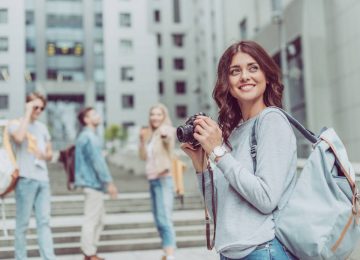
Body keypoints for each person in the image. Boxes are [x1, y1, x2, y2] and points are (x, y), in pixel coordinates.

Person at [181, 40, 298, 260]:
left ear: (267, 76)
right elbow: (220, 209)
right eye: (235, 71)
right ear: (227, 83)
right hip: (232, 253)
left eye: (253, 68)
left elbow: (266, 199)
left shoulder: (272, 120)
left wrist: (218, 151)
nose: (245, 76)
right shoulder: (234, 132)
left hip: (263, 250)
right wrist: (201, 166)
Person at [8, 92, 56, 260]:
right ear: (27, 105)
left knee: (44, 222)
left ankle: (49, 257)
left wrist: (44, 155)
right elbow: (19, 138)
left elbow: (50, 154)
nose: (39, 110)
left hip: (43, 179)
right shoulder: (15, 124)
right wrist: (28, 113)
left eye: (42, 108)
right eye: (36, 106)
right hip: (25, 179)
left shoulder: (43, 128)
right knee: (22, 224)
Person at [75, 107, 118, 260]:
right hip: (92, 183)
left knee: (99, 220)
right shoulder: (89, 137)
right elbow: (98, 162)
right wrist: (109, 182)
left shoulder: (88, 136)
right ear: (86, 119)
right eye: (94, 114)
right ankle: (89, 253)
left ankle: (90, 251)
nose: (98, 116)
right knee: (92, 220)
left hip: (93, 184)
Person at [139, 103, 177, 260]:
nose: (155, 117)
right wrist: (142, 141)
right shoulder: (149, 134)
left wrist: (165, 136)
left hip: (163, 179)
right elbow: (143, 157)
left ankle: (170, 255)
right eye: (152, 114)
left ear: (164, 116)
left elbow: (168, 140)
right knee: (157, 218)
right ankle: (166, 251)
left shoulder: (166, 130)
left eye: (158, 114)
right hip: (153, 180)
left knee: (164, 218)